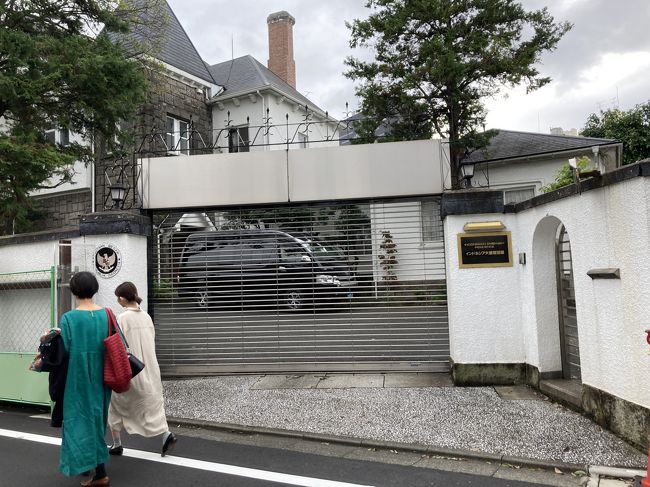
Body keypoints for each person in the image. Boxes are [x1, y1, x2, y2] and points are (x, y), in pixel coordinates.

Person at [107, 281, 177, 457]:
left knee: (116, 404)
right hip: (151, 367)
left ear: (122, 298)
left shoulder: (122, 318)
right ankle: (166, 434)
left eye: (118, 298)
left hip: (133, 369)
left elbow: (118, 346)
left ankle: (116, 444)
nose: (118, 301)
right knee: (153, 403)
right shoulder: (146, 317)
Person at [59, 271, 111, 486]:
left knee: (77, 421)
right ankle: (95, 468)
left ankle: (99, 473)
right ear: (95, 288)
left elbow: (65, 350)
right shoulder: (107, 314)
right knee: (97, 420)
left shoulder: (69, 318)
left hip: (78, 376)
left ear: (74, 290)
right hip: (102, 375)